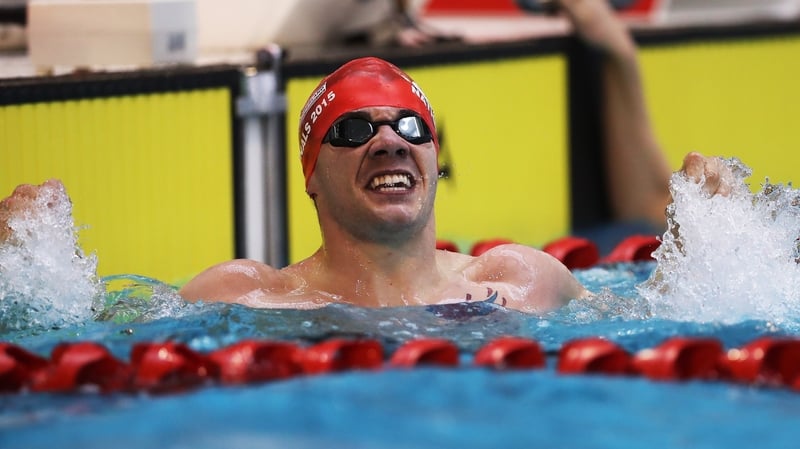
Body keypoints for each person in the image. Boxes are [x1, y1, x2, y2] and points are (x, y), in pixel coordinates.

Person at [0, 0, 730, 313]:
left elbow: (660, 311)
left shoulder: (520, 281)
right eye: (351, 131)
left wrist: (706, 249)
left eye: (410, 128)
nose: (387, 140)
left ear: (431, 158)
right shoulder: (250, 297)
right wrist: (25, 266)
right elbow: (90, 333)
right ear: (311, 176)